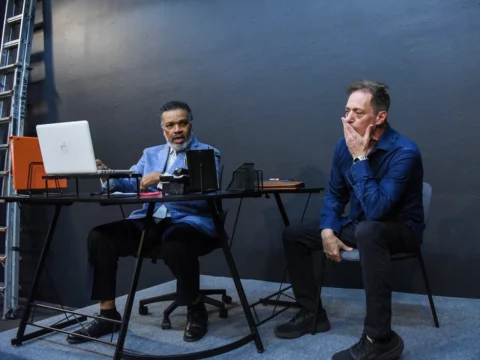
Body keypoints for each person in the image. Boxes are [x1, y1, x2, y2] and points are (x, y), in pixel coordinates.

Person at [274, 80, 424, 360]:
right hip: (361, 225)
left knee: (369, 229)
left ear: (380, 117)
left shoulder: (404, 152)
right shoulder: (343, 147)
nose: (348, 118)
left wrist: (359, 158)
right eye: (346, 111)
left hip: (401, 229)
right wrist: (328, 229)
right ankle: (312, 313)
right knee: (294, 234)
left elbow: (378, 209)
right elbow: (334, 195)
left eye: (358, 112)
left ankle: (380, 339)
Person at [66, 101, 221, 344]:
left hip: (190, 221)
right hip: (150, 219)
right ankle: (108, 314)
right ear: (164, 130)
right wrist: (107, 175)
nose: (177, 129)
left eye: (182, 123)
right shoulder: (151, 154)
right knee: (100, 236)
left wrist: (163, 177)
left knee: (176, 242)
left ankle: (195, 308)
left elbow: (205, 186)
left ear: (190, 125)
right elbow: (134, 182)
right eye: (171, 125)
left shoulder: (206, 153)